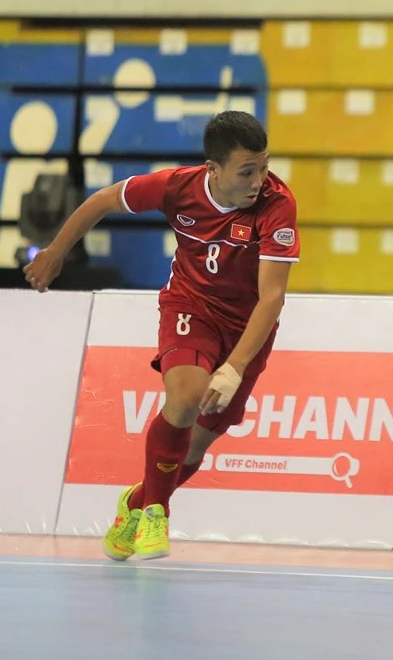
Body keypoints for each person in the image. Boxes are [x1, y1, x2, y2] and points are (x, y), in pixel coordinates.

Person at [24, 111, 300, 561]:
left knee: (197, 443)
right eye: (247, 171)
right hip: (191, 307)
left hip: (247, 327)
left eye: (264, 167)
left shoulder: (277, 204)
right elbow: (102, 200)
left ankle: (136, 504)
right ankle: (157, 511)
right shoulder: (177, 187)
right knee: (185, 398)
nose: (259, 181)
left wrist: (235, 366)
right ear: (213, 169)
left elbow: (272, 298)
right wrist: (55, 252)